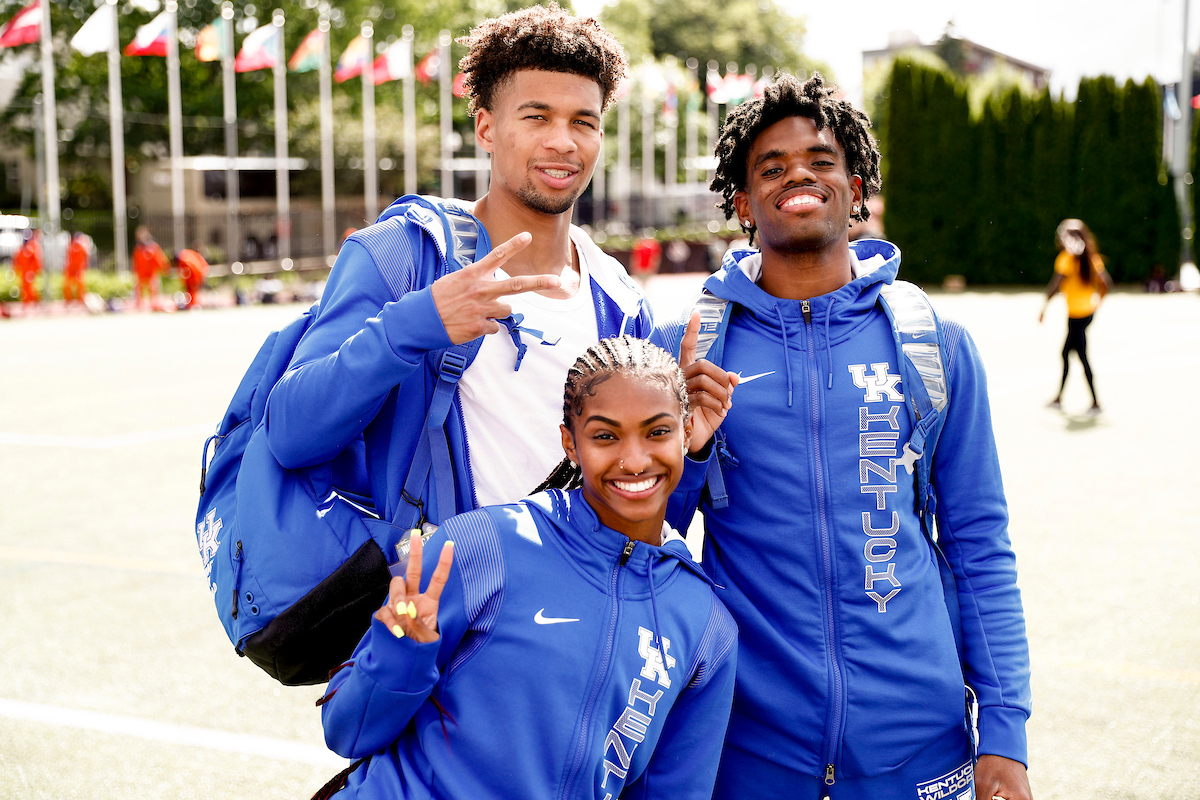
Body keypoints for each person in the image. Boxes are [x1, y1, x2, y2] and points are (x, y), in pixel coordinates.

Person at [660, 73, 1033, 800]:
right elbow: (640, 543)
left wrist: (1007, 734)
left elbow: (979, 544)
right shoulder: (685, 347)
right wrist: (693, 453)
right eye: (771, 167)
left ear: (855, 188)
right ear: (742, 203)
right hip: (748, 748)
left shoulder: (935, 345)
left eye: (820, 160)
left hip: (919, 744)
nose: (798, 173)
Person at [264, 4, 664, 530]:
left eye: (582, 122)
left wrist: (690, 446)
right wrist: (415, 325)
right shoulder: (405, 255)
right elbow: (290, 432)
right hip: (450, 602)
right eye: (537, 116)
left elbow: (638, 507)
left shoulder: (619, 299)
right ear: (486, 127)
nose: (563, 142)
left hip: (577, 603)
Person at [315, 336, 738, 800]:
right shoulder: (481, 548)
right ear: (569, 444)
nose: (634, 460)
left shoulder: (705, 627)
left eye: (657, 432)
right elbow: (345, 732)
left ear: (687, 430)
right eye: (605, 436)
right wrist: (400, 654)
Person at [1039, 218, 1110, 415]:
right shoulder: (1092, 258)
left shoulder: (1067, 259)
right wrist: (1097, 305)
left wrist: (1043, 308)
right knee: (1068, 353)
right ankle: (1059, 398)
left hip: (1076, 317)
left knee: (1080, 356)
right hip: (1086, 314)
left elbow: (1055, 285)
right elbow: (1106, 284)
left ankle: (1095, 402)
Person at [132, 225, 169, 308]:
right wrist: (135, 271)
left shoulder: (153, 247)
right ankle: (139, 304)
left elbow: (159, 259)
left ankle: (154, 304)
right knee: (138, 289)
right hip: (141, 272)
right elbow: (135, 261)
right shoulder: (138, 248)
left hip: (151, 272)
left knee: (154, 287)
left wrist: (164, 269)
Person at [14, 229, 42, 304]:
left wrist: (35, 271)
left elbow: (36, 261)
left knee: (31, 288)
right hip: (24, 271)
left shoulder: (30, 250)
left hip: (29, 271)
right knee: (24, 288)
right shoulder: (21, 251)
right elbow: (17, 261)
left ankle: (34, 302)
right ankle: (26, 303)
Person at [63, 231, 91, 304]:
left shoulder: (79, 246)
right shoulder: (73, 246)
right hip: (72, 269)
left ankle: (79, 300)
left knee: (79, 285)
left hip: (77, 268)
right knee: (70, 285)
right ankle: (71, 300)